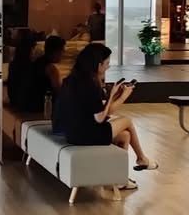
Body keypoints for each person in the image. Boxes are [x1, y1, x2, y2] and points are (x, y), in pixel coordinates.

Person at [53, 42, 157, 181]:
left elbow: (100, 110)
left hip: (73, 132)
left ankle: (119, 179)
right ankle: (141, 158)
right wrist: (123, 97)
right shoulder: (90, 85)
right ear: (98, 65)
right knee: (127, 121)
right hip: (84, 135)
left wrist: (114, 95)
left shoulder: (73, 80)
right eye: (107, 63)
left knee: (125, 136)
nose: (108, 66)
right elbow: (100, 118)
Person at [5, 32, 47, 114]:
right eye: (33, 48)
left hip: (14, 100)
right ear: (30, 49)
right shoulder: (30, 66)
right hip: (25, 104)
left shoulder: (14, 63)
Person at [37, 35, 66, 104]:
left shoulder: (38, 62)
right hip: (42, 104)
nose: (64, 53)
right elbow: (59, 92)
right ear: (56, 51)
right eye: (62, 50)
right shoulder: (51, 69)